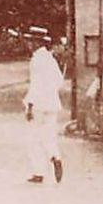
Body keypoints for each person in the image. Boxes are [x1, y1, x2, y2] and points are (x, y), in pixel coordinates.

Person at [25, 32, 67, 184]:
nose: (29, 44)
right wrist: (50, 91)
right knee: (48, 134)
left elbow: (35, 85)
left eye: (31, 41)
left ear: (36, 43)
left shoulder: (36, 60)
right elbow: (59, 81)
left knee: (34, 138)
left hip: (38, 104)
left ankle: (38, 172)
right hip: (52, 102)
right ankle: (55, 156)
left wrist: (30, 105)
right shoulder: (50, 59)